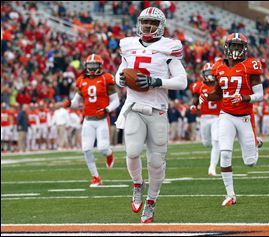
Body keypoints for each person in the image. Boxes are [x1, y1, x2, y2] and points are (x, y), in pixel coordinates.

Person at [115, 7, 187, 223]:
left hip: (158, 109)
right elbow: (121, 70)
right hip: (134, 106)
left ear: (161, 26)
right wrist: (119, 78)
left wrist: (158, 81)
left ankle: (152, 201)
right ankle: (138, 184)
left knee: (156, 162)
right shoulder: (128, 45)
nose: (147, 26)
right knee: (133, 152)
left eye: (152, 23)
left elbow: (182, 81)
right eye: (145, 22)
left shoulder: (169, 48)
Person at [199, 33, 264, 206]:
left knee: (250, 162)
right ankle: (230, 195)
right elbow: (218, 93)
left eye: (239, 46)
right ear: (227, 47)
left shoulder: (251, 65)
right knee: (225, 153)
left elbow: (260, 95)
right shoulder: (219, 66)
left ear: (245, 48)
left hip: (244, 117)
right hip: (226, 115)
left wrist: (244, 98)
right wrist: (206, 96)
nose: (236, 49)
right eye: (233, 46)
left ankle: (256, 143)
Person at [63, 54, 120, 187]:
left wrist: (106, 110)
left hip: (101, 119)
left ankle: (110, 154)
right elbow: (77, 102)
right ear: (86, 66)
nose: (92, 68)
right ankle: (96, 177)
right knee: (87, 149)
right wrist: (70, 103)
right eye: (90, 66)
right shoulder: (82, 80)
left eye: (95, 66)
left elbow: (116, 101)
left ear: (100, 66)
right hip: (88, 120)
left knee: (102, 149)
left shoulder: (106, 79)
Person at [190, 62, 221, 176]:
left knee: (216, 141)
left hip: (217, 118)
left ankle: (212, 168)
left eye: (211, 72)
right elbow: (195, 99)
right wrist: (193, 106)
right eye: (208, 73)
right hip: (204, 118)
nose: (210, 75)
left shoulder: (220, 85)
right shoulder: (198, 86)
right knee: (206, 143)